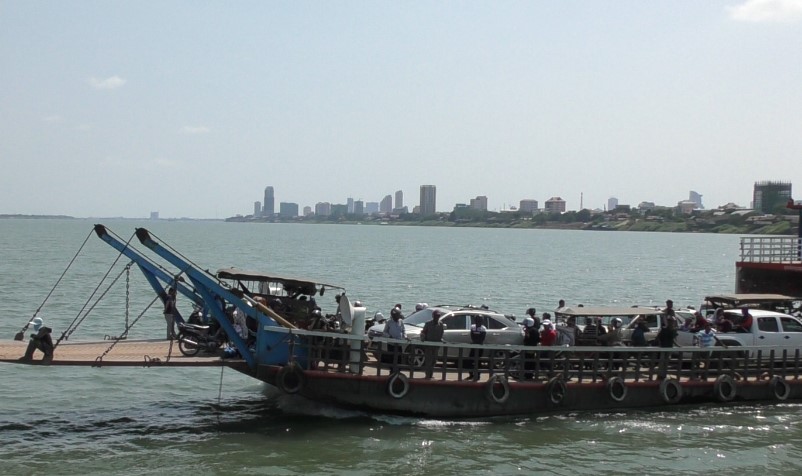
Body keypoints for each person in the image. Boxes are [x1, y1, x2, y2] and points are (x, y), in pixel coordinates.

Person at [420, 309, 446, 378]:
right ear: (433, 316)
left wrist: (442, 340)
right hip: (428, 346)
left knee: (434, 361)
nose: (437, 317)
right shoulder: (428, 324)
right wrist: (423, 338)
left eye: (438, 316)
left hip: (436, 346)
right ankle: (428, 375)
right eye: (435, 315)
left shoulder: (441, 324)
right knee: (428, 361)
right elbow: (423, 332)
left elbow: (441, 334)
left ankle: (431, 374)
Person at [468, 315, 487, 381]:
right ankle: (471, 374)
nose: (478, 321)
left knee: (478, 361)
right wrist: (474, 342)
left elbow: (482, 338)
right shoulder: (472, 327)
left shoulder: (483, 328)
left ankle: (478, 375)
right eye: (477, 320)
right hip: (473, 346)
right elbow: (472, 336)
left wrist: (477, 342)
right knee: (470, 360)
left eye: (479, 320)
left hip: (480, 347)